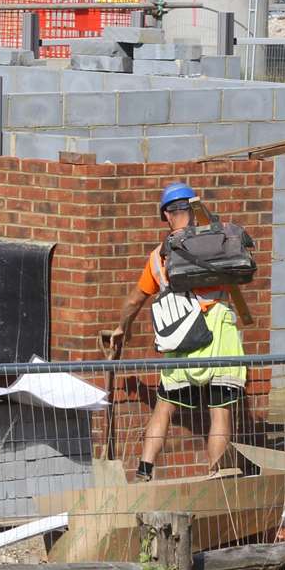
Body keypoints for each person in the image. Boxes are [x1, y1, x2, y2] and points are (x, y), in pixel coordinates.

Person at [101, 182, 248, 480]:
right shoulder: (217, 239)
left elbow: (134, 300)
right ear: (193, 209)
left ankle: (145, 470)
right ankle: (215, 476)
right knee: (220, 410)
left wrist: (122, 328)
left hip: (181, 333)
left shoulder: (159, 257)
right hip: (219, 329)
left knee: (165, 407)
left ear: (167, 215)